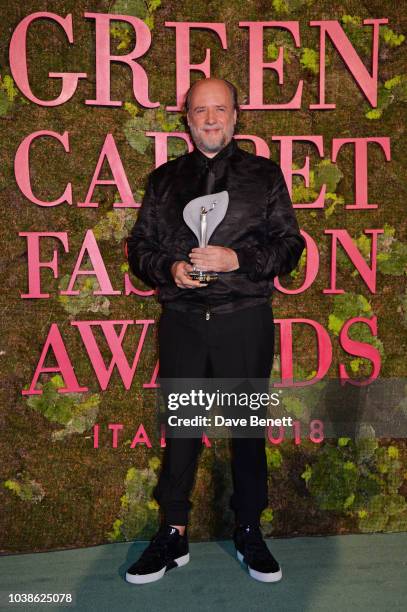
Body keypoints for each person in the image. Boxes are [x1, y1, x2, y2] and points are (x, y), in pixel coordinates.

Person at [125, 77, 305, 584]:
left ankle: (249, 530)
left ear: (235, 116)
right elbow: (140, 247)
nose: (210, 118)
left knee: (247, 433)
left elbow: (290, 246)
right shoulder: (164, 181)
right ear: (187, 118)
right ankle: (173, 534)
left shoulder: (264, 176)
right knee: (181, 432)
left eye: (219, 109)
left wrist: (238, 258)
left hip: (243, 322)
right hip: (183, 322)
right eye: (200, 110)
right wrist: (171, 270)